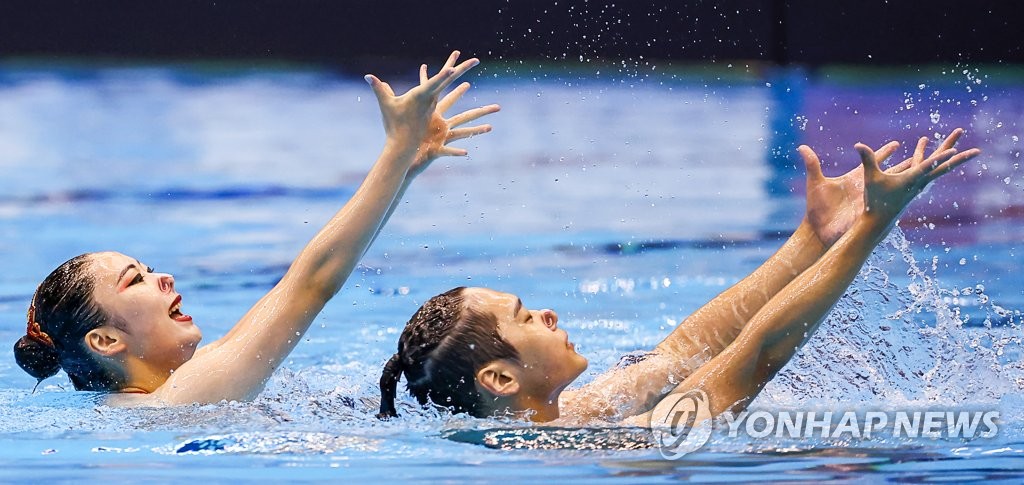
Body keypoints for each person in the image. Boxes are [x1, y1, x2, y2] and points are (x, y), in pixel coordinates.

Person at [378, 129, 980, 424]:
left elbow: (682, 354)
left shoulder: (574, 415)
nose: (547, 314)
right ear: (501, 378)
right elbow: (752, 359)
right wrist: (874, 226)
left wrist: (812, 239)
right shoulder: (585, 452)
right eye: (524, 317)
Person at [12, 51, 500, 406]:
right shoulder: (186, 397)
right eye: (135, 280)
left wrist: (407, 167)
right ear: (104, 342)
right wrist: (395, 153)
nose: (165, 279)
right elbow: (310, 285)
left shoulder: (174, 395)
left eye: (149, 269)